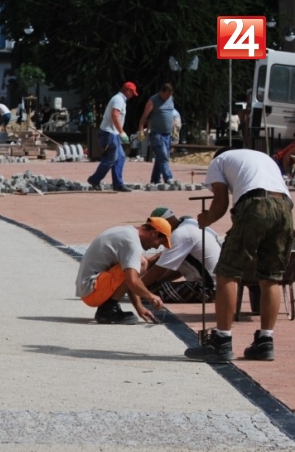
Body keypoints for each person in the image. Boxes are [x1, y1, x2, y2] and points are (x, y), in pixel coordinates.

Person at [184, 147, 294, 363]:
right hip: (284, 209)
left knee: (227, 272)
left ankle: (221, 341)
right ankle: (265, 341)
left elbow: (221, 204)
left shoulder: (219, 161)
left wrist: (206, 219)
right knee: (271, 277)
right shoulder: (261, 158)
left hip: (255, 205)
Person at [76, 218, 171, 324]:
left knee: (136, 264)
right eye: (160, 242)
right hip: (92, 292)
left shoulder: (127, 232)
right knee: (142, 263)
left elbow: (129, 280)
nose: (157, 247)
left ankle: (108, 307)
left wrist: (139, 307)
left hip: (88, 288)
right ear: (155, 233)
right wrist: (150, 296)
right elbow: (132, 281)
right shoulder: (132, 243)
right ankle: (108, 310)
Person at [141, 207, 221, 303]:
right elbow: (176, 269)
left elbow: (158, 270)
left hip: (209, 289)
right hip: (220, 285)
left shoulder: (179, 234)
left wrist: (134, 286)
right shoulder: (190, 224)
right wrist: (154, 279)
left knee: (149, 291)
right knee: (149, 285)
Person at [87, 81, 138, 193]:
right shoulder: (118, 99)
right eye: (132, 93)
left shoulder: (120, 100)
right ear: (128, 91)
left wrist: (119, 133)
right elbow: (114, 115)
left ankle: (118, 184)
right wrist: (122, 132)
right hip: (109, 133)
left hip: (112, 133)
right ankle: (94, 180)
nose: (132, 96)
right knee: (111, 159)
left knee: (120, 157)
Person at [136, 83, 175, 185]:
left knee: (161, 157)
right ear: (161, 92)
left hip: (168, 134)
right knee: (163, 156)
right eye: (166, 95)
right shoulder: (153, 100)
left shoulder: (170, 99)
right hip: (157, 134)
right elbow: (144, 116)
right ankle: (168, 177)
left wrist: (174, 127)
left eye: (170, 95)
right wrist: (141, 129)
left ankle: (155, 179)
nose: (168, 97)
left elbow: (170, 114)